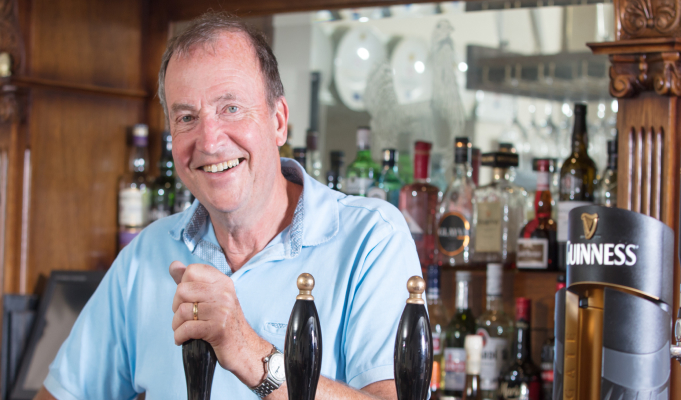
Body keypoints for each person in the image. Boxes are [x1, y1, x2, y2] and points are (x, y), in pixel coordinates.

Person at [37, 12, 420, 400]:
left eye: (231, 108)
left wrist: (246, 350)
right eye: (187, 117)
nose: (210, 140)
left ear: (279, 121)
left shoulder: (371, 238)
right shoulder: (146, 254)